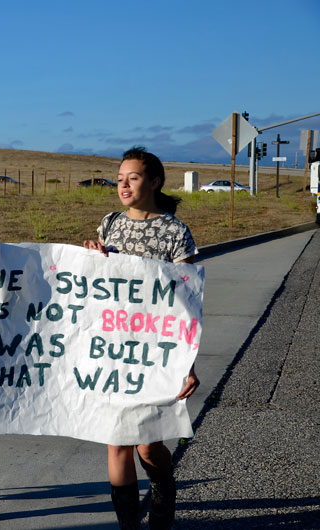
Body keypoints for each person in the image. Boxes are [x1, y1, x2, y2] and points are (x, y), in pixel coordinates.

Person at [83, 147, 200, 530]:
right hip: (112, 351)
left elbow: (185, 303)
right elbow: (92, 285)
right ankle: (130, 527)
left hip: (154, 351)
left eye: (132, 177)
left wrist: (188, 363)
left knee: (148, 445)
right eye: (119, 178)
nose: (123, 185)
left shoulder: (174, 232)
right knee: (116, 441)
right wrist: (92, 256)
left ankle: (164, 494)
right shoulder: (110, 223)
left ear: (154, 182)